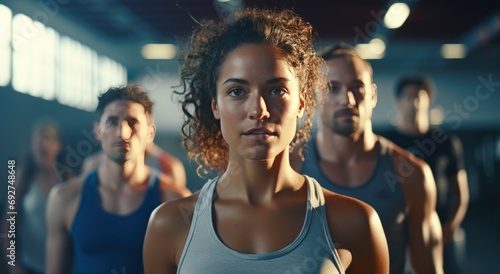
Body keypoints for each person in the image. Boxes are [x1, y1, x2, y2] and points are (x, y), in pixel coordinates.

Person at [143, 8, 389, 274]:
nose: (258, 110)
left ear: (301, 103)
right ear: (215, 106)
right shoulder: (169, 225)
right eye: (237, 91)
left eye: (276, 90)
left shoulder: (353, 221)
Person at [295, 44, 444, 274]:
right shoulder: (290, 166)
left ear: (372, 95)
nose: (348, 100)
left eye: (357, 88)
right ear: (312, 97)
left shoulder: (412, 174)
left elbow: (428, 269)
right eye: (332, 88)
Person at [45, 84, 191, 274]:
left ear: (150, 133)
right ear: (97, 131)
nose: (123, 133)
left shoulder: (175, 199)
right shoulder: (65, 198)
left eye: (132, 122)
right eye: (112, 122)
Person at [382, 75, 469, 274]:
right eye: (408, 96)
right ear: (398, 101)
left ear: (428, 101)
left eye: (419, 97)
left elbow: (461, 194)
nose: (414, 102)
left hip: (439, 229)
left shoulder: (447, 142)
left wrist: (449, 228)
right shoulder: (385, 143)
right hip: (396, 232)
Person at [1, 117, 72, 274]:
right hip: (28, 267)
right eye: (38, 138)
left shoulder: (69, 182)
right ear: (31, 145)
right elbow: (7, 230)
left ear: (58, 146)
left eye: (48, 137)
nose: (42, 143)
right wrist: (14, 268)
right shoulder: (20, 179)